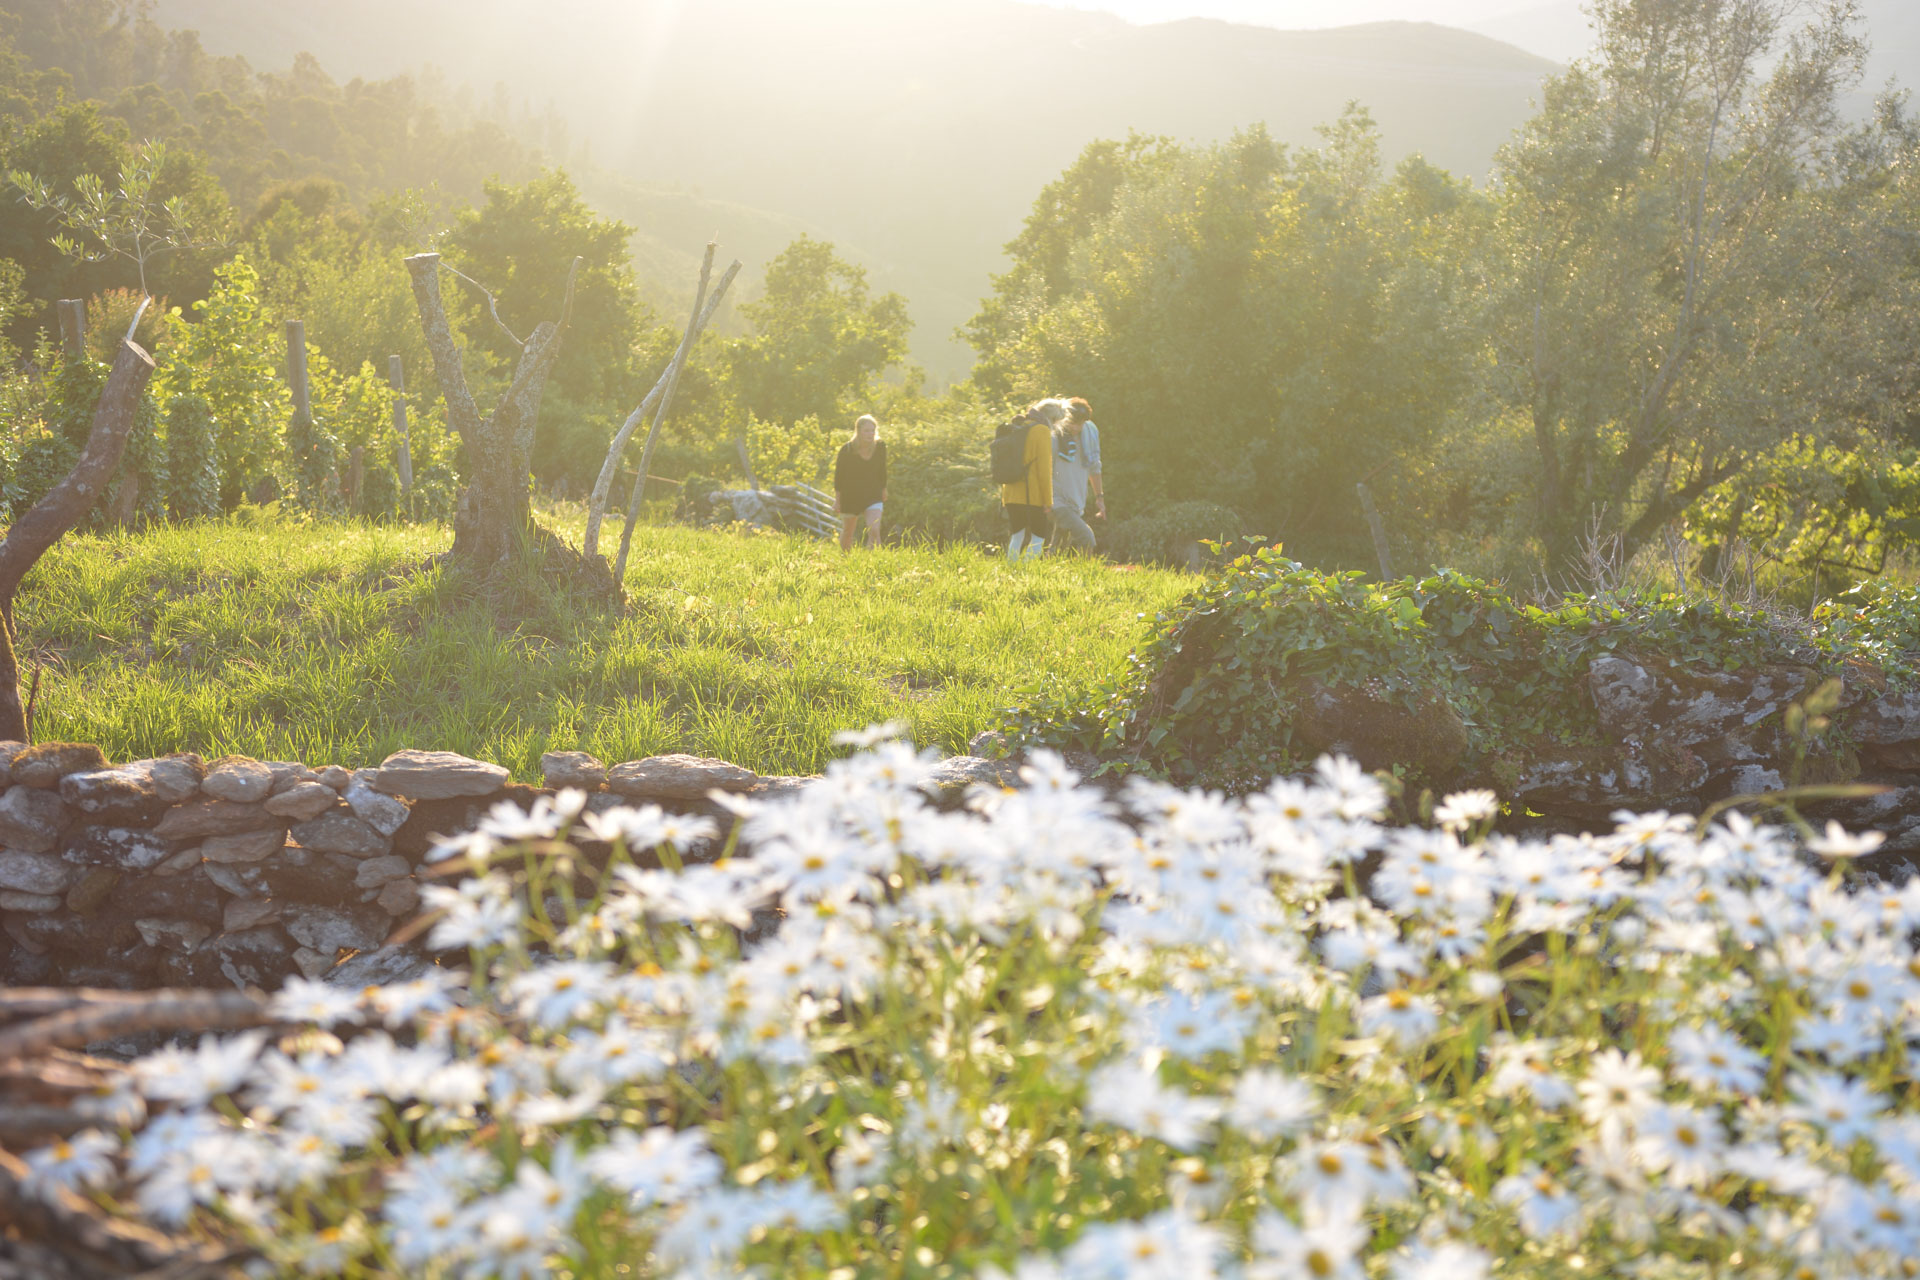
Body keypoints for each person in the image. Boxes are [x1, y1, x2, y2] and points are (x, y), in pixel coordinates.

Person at [999, 400, 1059, 562]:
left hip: (1010, 492)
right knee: (1039, 536)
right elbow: (1044, 470)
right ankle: (1028, 571)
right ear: (1051, 418)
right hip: (1032, 495)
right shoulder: (1041, 431)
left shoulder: (1017, 425)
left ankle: (1011, 569)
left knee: (1017, 535)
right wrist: (1048, 501)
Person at [1050, 397, 1105, 554]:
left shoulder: (1089, 438)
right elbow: (1045, 469)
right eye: (1072, 422)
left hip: (1076, 500)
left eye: (1080, 423)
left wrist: (1099, 497)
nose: (1075, 427)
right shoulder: (1055, 437)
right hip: (1057, 500)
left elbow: (1095, 468)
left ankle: (1048, 574)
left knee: (1059, 547)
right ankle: (1087, 574)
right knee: (1087, 537)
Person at [834, 414, 888, 551]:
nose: (870, 434)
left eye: (873, 430)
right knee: (848, 532)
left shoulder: (880, 447)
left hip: (873, 493)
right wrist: (837, 500)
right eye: (866, 430)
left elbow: (882, 470)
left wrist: (884, 489)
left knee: (874, 529)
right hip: (850, 495)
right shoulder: (846, 450)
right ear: (858, 431)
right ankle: (846, 560)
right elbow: (839, 477)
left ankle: (874, 562)